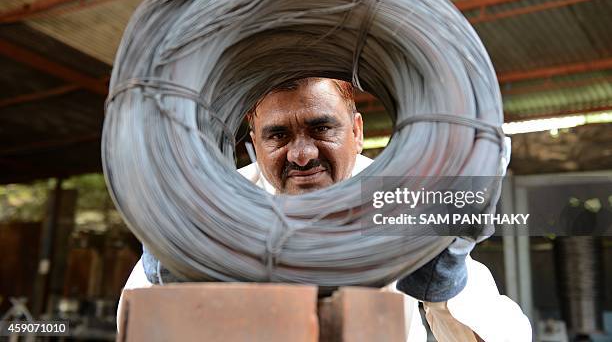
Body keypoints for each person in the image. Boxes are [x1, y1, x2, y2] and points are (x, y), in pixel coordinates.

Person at [118, 77, 532, 341]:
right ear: (254, 143)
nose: (301, 154)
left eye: (321, 128)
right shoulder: (210, 205)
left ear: (356, 131)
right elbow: (134, 325)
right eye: (278, 135)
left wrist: (444, 283)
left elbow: (499, 336)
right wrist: (169, 269)